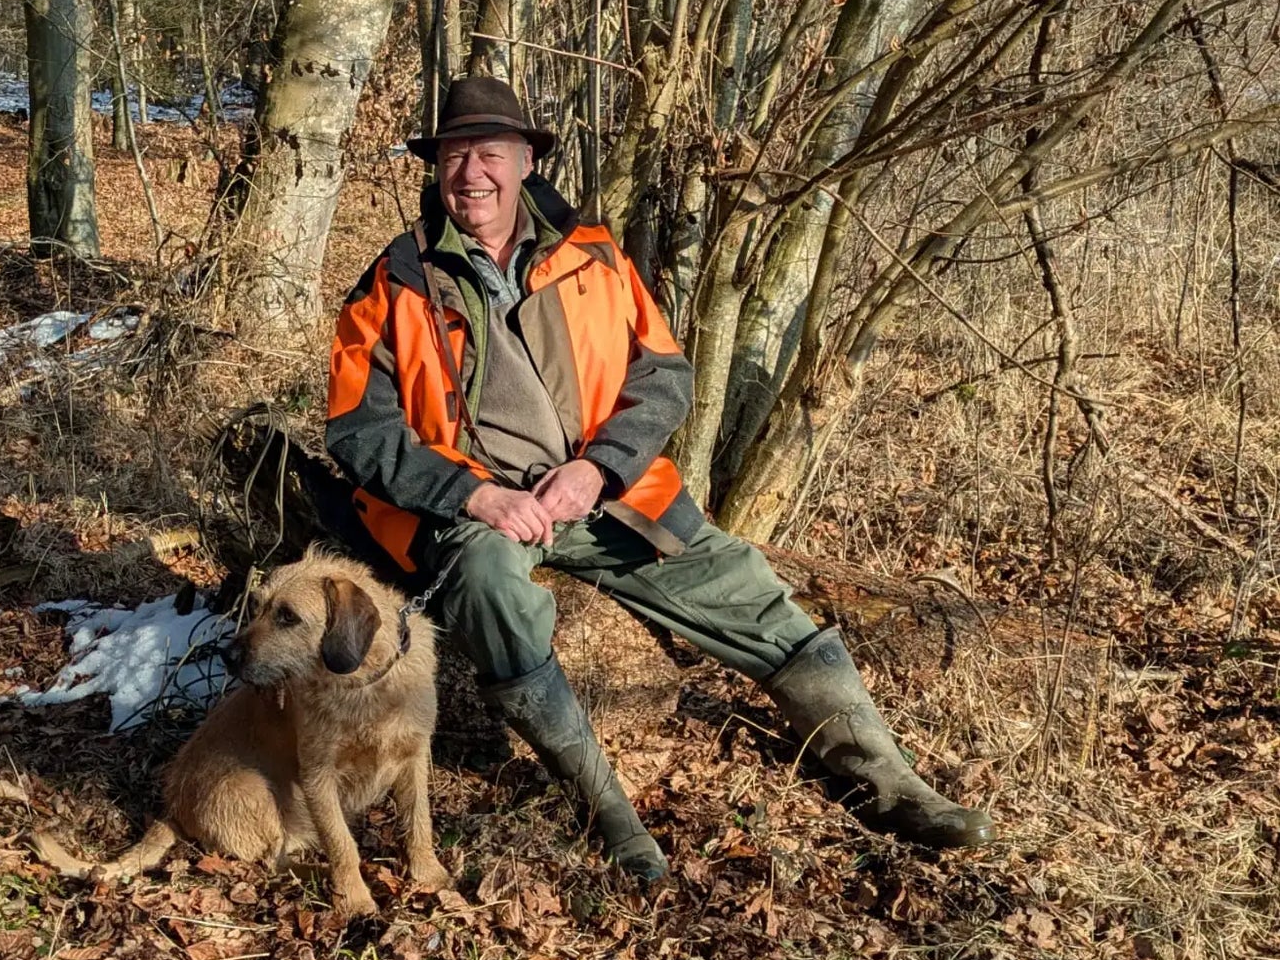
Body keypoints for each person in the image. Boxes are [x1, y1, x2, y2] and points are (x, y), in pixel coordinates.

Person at [327, 75, 990, 882]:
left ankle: (896, 787)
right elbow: (359, 430)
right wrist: (474, 495)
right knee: (489, 590)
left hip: (607, 496)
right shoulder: (394, 281)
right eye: (456, 154)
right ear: (437, 167)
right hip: (479, 508)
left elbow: (665, 374)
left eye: (491, 153)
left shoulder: (593, 254)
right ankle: (608, 811)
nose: (473, 174)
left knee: (749, 587)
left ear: (527, 158)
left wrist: (597, 468)